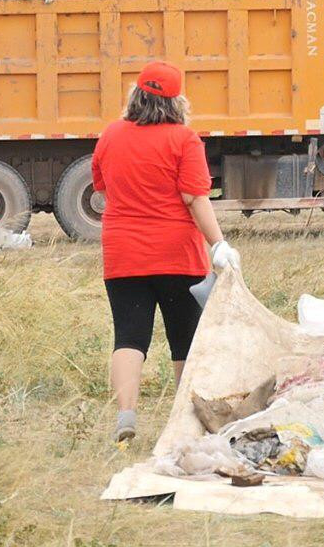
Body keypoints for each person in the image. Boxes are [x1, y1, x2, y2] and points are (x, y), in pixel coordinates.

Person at [91, 61, 241, 442]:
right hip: (178, 255)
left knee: (128, 336)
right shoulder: (184, 139)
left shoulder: (111, 135)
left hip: (123, 254)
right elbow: (195, 198)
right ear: (177, 102)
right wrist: (218, 243)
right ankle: (184, 422)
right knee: (185, 337)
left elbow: (102, 188)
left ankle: (127, 414)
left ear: (136, 95)